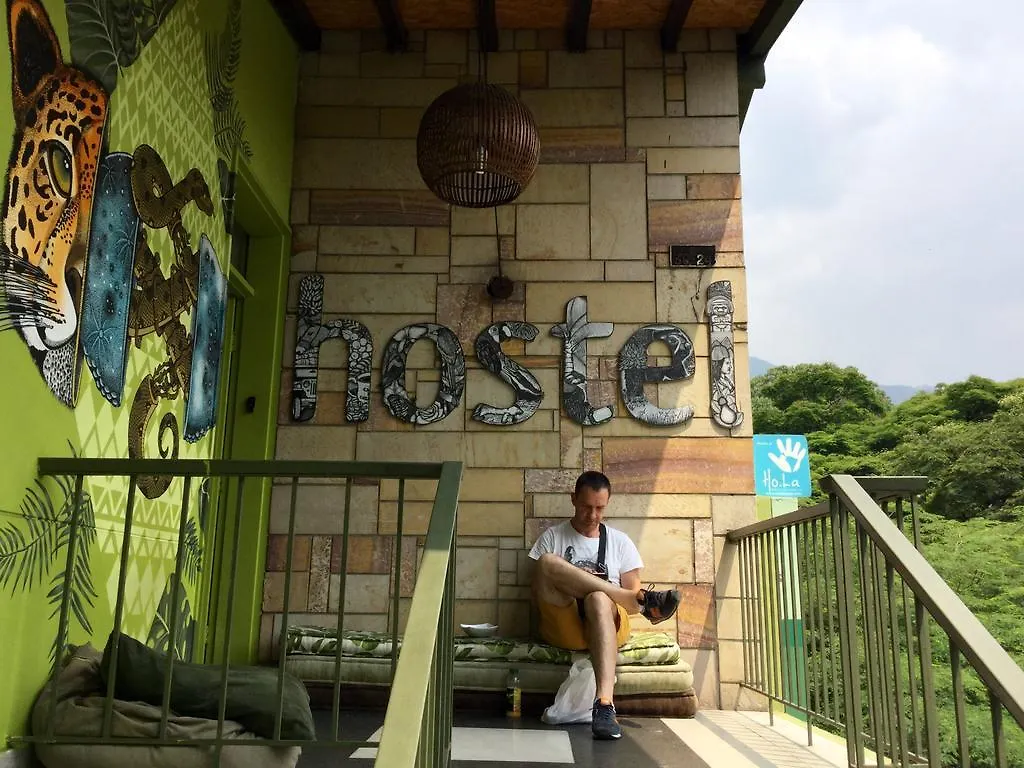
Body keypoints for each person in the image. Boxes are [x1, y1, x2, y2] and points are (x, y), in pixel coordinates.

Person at [528, 471, 681, 740]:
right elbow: (539, 593)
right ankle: (646, 603)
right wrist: (615, 592)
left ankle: (604, 705)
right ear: (573, 499)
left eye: (600, 508)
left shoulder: (620, 542)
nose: (593, 515)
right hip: (565, 626)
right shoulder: (552, 537)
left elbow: (628, 609)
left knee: (598, 599)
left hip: (608, 624)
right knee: (547, 562)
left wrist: (602, 593)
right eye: (586, 507)